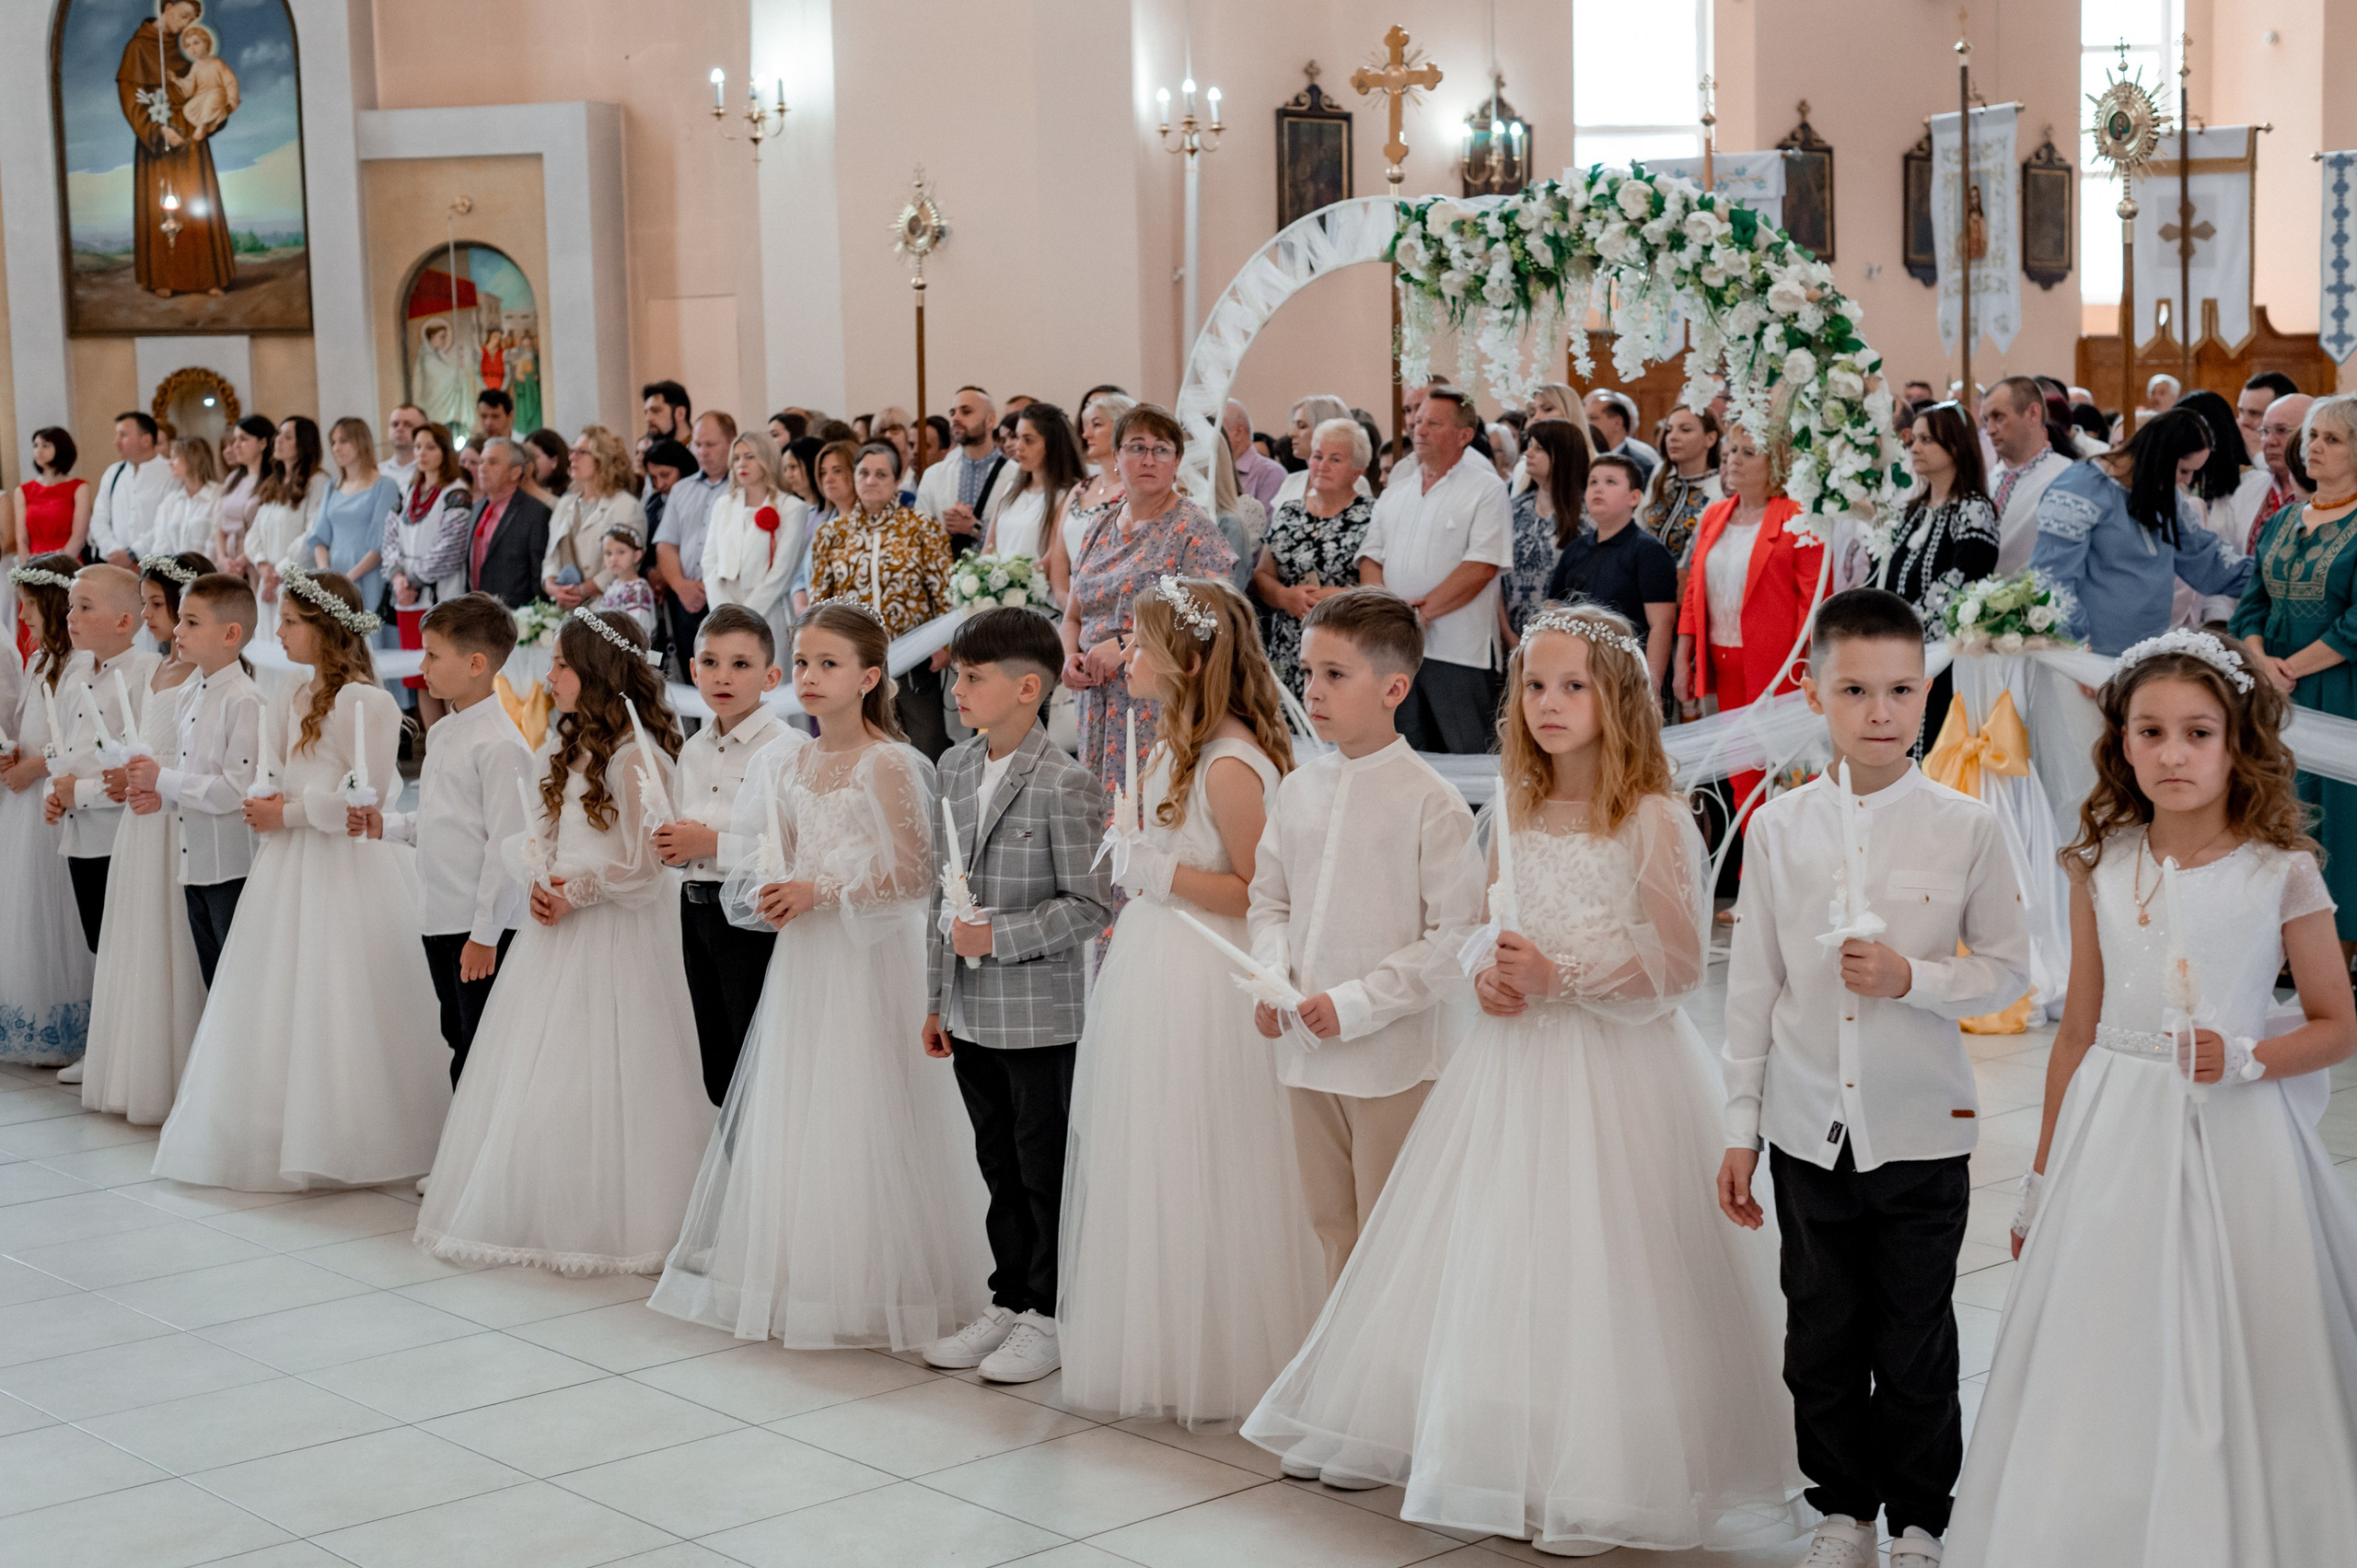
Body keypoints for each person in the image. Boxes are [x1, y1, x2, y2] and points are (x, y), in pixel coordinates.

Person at [1246, 605, 1804, 1551]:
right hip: (1511, 1064)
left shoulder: (1656, 815)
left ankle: (1605, 1471)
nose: (1548, 703)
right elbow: (1486, 918)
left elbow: (1675, 964)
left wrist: (1563, 979)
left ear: (1615, 697)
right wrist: (1486, 973)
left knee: (1607, 1261)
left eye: (1572, 685)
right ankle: (1512, 1449)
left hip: (1615, 1065)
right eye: (1534, 685)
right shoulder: (1512, 802)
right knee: (1509, 1256)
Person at [1950, 630, 2357, 1565]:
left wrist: (2248, 1053)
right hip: (2111, 1129)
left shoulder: (2279, 868)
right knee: (2104, 1335)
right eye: (2151, 731)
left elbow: (2336, 1022)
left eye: (2197, 732)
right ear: (2121, 744)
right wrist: (2039, 1176)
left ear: (2235, 742)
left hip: (2234, 1132)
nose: (2173, 753)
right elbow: (2076, 1029)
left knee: (2233, 1330)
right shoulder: (2099, 863)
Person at [1716, 587, 2031, 1568]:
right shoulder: (1777, 829)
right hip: (1807, 1124)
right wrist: (1739, 1121)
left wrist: (1917, 978)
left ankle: (1921, 1518)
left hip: (1921, 1129)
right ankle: (1840, 1508)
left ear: (1926, 692)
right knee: (1819, 1333)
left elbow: (2014, 967)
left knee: (1913, 1336)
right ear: (1816, 693)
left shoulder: (1964, 825)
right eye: (1855, 689)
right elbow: (1755, 985)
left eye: (1900, 689)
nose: (1880, 711)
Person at [650, 602, 991, 1343]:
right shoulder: (789, 761)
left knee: (869, 1101)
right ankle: (806, 1271)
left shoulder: (895, 763)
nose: (808, 676)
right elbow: (784, 851)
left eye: (827, 664)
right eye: (802, 663)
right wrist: (779, 887)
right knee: (805, 1103)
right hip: (806, 955)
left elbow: (910, 874)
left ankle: (889, 1277)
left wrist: (821, 890)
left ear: (870, 677)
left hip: (868, 959)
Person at [1052, 578, 1322, 1414]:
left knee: (1217, 1151)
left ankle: (1236, 1350)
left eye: (1140, 643)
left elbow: (1257, 889)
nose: (1125, 655)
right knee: (1158, 1150)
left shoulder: (1232, 762)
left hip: (1210, 973)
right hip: (1156, 961)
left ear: (1192, 660)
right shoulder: (1172, 741)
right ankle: (1169, 1341)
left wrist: (1158, 871)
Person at [415, 608, 713, 1271]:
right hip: (559, 928)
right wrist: (540, 878)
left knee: (621, 1068)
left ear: (595, 671)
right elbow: (538, 831)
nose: (547, 675)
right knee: (549, 1071)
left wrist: (574, 891)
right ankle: (550, 1196)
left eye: (559, 664)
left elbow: (644, 863)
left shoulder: (639, 753)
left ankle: (627, 1212)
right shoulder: (560, 741)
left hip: (619, 931)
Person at [152, 569, 450, 1191]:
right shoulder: (287, 693)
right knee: (279, 993)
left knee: (343, 992)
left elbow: (366, 801)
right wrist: (266, 797)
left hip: (347, 869)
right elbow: (275, 772)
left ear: (324, 627)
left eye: (289, 621)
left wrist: (284, 811)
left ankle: (359, 1130)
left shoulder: (365, 701)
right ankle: (271, 1128)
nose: (279, 631)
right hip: (287, 865)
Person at [1247, 587, 1486, 1283]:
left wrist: (1353, 1002)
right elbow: (1270, 900)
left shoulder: (1430, 800)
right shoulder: (1297, 789)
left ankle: (1388, 1386)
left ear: (1394, 687)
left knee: (1392, 1236)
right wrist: (1271, 975)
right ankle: (1336, 1382)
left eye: (1334, 674)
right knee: (1332, 1226)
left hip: (1393, 1059)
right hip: (1303, 1051)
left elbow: (1455, 938)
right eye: (1308, 671)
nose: (1312, 691)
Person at [919, 609, 1116, 1384]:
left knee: (1043, 1166)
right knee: (995, 1160)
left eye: (973, 677)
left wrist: (999, 935)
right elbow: (946, 894)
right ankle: (1006, 1295)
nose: (956, 687)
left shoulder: (1067, 783)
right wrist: (937, 998)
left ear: (1028, 687)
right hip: (970, 1011)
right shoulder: (954, 768)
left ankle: (1049, 1310)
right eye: (957, 674)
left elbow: (1092, 905)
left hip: (1041, 1016)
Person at [354, 593, 528, 1088]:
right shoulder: (447, 729)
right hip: (441, 914)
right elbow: (439, 820)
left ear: (476, 664)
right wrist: (385, 825)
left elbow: (505, 848)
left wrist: (485, 935)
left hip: (477, 927)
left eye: (432, 654)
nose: (421, 665)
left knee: (481, 1045)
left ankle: (473, 1157)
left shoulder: (499, 743)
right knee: (457, 1034)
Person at [81, 553, 213, 1121]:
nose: (151, 614)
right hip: (142, 817)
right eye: (150, 604)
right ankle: (138, 1066)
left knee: (172, 936)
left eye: (160, 605)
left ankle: (180, 1066)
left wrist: (148, 771)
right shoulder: (156, 669)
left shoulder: (199, 675)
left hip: (171, 815)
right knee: (137, 934)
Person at [655, 604, 801, 1105]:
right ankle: (735, 1171)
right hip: (693, 912)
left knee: (755, 1060)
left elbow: (794, 850)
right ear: (693, 670)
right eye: (710, 663)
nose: (723, 676)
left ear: (771, 675)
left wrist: (711, 845)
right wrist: (673, 848)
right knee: (716, 1063)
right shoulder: (693, 749)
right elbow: (684, 839)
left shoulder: (788, 749)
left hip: (750, 919)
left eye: (741, 664)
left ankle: (762, 1176)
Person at [2234, 393, 2357, 951]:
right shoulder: (2284, 519)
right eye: (2312, 437)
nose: (2314, 448)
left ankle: (2341, 944)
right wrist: (2262, 661)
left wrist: (2294, 667)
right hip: (2274, 694)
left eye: (2333, 439)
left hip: (2339, 690)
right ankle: (2284, 942)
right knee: (2278, 808)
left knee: (2339, 816)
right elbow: (2250, 603)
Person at [1061, 405, 1237, 795]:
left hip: (1155, 694)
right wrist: (1069, 657)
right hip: (1095, 696)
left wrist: (1126, 644)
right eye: (1137, 447)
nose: (1148, 459)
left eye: (1161, 449)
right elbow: (1073, 615)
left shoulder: (1193, 528)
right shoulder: (1099, 525)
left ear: (1177, 461)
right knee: (1099, 817)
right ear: (1117, 456)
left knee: (1147, 810)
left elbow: (1210, 620)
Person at [1674, 424, 1827, 819]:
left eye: (1747, 452)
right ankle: (1749, 871)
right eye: (1729, 452)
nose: (1732, 461)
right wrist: (1683, 654)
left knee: (1783, 776)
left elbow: (1813, 604)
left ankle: (1768, 870)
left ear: (1776, 462)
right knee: (1741, 781)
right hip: (1721, 664)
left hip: (1777, 669)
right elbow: (1694, 588)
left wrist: (1802, 672)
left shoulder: (1798, 518)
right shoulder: (1714, 515)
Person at [1356, 388, 1515, 754]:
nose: (1419, 428)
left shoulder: (1485, 488)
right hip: (1398, 650)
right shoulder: (1398, 489)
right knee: (1403, 753)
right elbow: (1370, 558)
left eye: (1433, 423)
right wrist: (1392, 617)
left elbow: (1481, 566)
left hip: (1459, 653)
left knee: (1466, 753)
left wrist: (1418, 614)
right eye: (1418, 420)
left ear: (1464, 436)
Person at [2030, 407, 2251, 655]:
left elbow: (2204, 558)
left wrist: (2269, 578)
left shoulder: (2164, 495)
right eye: (2184, 470)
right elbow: (2052, 577)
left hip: (2146, 653)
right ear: (2159, 457)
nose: (2188, 481)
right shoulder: (2079, 487)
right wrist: (2076, 646)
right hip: (2090, 652)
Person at [1, 556, 94, 1064]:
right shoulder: (40, 660)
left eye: (30, 605)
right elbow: (31, 727)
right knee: (25, 905)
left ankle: (68, 1023)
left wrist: (33, 767)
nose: (21, 615)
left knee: (57, 907)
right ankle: (31, 1013)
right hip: (25, 797)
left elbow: (80, 743)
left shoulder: (80, 667)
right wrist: (15, 752)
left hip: (52, 794)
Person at [807, 442, 957, 758]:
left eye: (880, 474)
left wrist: (944, 646)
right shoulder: (831, 534)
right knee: (862, 747)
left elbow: (943, 592)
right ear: (855, 478)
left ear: (896, 480)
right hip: (854, 662)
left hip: (915, 659)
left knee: (924, 744)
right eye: (864, 473)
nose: (871, 481)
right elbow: (820, 603)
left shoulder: (922, 528)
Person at [146, 568, 257, 997]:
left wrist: (163, 779)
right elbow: (191, 776)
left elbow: (234, 789)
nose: (177, 630)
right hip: (194, 863)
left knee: (236, 983)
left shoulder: (245, 700)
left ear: (231, 634)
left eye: (191, 622)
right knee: (213, 980)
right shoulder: (191, 695)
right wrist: (159, 797)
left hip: (231, 867)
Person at [43, 564, 156, 958]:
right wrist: (54, 791)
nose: (71, 616)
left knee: (126, 949)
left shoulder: (145, 675)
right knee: (98, 946)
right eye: (72, 606)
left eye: (85, 607)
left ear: (125, 621)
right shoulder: (74, 678)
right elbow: (63, 749)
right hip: (79, 838)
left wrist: (82, 792)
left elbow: (138, 769)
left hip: (118, 835)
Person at [1878, 402, 1999, 745]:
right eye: (1913, 439)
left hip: (1941, 662)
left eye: (1926, 440)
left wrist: (1903, 632)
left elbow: (1964, 583)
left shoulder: (1973, 510)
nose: (1914, 448)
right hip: (1892, 657)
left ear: (1956, 447)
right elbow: (1882, 574)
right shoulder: (1910, 512)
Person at [1255, 416, 1376, 697]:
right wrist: (1285, 596)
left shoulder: (1372, 515)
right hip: (1290, 643)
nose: (1322, 465)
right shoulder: (1288, 512)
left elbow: (1377, 590)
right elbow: (1262, 575)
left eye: (1335, 459)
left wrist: (1339, 597)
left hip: (1345, 642)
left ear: (1357, 470)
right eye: (1318, 456)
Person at [1545, 454, 1678, 689]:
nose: (1598, 489)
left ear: (1634, 497)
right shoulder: (1575, 549)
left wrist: (1652, 686)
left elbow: (1662, 624)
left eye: (1610, 482)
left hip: (1627, 674)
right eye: (1592, 482)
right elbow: (1553, 609)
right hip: (1576, 673)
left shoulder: (1647, 551)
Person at [383, 421, 474, 731]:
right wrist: (397, 578)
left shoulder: (456, 492)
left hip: (439, 596)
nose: (421, 453)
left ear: (445, 451)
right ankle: (435, 743)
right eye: (418, 446)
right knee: (420, 676)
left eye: (430, 447)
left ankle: (455, 742)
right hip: (407, 599)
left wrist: (415, 581)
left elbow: (451, 544)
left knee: (446, 675)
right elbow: (390, 535)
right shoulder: (409, 490)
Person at [702, 431, 811, 659]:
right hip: (725, 607)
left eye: (750, 456)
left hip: (767, 610)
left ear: (766, 458)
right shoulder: (723, 505)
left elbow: (782, 572)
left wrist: (746, 617)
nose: (742, 463)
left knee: (768, 677)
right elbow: (709, 562)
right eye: (737, 458)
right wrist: (723, 613)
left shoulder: (791, 507)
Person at [983, 402, 1087, 604]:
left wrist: (1010, 585)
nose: (1018, 446)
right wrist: (980, 580)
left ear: (1052, 445)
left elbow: (1051, 559)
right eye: (1017, 437)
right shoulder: (1010, 488)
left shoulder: (1067, 494)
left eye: (1028, 440)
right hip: (997, 597)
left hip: (1036, 601)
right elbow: (989, 548)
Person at [655, 412, 736, 661]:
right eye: (697, 445)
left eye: (710, 445)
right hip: (687, 597)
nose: (702, 452)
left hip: (729, 596)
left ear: (732, 443)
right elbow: (666, 544)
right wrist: (680, 585)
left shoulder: (741, 489)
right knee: (693, 670)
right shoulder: (681, 489)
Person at [540, 425, 647, 610]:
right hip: (566, 611)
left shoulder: (626, 506)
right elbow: (551, 557)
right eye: (572, 451)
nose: (572, 457)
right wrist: (553, 587)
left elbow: (626, 564)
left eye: (581, 452)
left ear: (602, 459)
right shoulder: (565, 504)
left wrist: (581, 590)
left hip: (608, 609)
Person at [308, 418, 402, 620]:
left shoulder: (385, 486)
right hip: (335, 578)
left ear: (360, 442)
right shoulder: (332, 487)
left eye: (343, 441)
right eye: (333, 442)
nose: (336, 448)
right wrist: (327, 576)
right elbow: (320, 538)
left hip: (368, 577)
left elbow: (381, 545)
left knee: (367, 640)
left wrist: (348, 579)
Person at [1980, 377, 2073, 575]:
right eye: (1986, 420)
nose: (1989, 430)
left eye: (1998, 417)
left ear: (2033, 413)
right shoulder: (1988, 479)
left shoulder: (2066, 477)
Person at [246, 417, 330, 635]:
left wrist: (280, 572)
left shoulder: (318, 482)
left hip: (296, 580)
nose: (278, 440)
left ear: (304, 444)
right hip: (268, 582)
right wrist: (262, 565)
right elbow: (253, 533)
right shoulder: (273, 482)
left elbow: (312, 532)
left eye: (287, 436)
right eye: (279, 435)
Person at [1506, 417, 1589, 635]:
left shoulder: (1588, 515)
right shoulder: (1514, 508)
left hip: (1568, 635)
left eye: (1539, 448)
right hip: (1512, 632)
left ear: (1563, 456)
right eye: (1529, 446)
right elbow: (1495, 579)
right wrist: (1508, 637)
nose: (1527, 453)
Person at [12, 429, 90, 661]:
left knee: (67, 626)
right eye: (36, 445)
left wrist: (57, 568)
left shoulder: (79, 486)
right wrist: (28, 574)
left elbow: (79, 536)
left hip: (68, 565)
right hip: (33, 567)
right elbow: (22, 539)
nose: (39, 450)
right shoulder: (24, 490)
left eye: (46, 445)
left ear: (61, 448)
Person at [463, 438, 553, 609]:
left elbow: (538, 575)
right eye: (481, 461)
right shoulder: (476, 508)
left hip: (516, 618)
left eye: (493, 462)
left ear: (515, 472)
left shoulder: (535, 513)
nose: (482, 468)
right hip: (477, 613)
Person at [913, 386, 1004, 553]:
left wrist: (976, 530)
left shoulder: (1016, 474)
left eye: (966, 412)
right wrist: (945, 531)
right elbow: (918, 537)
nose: (956, 418)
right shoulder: (934, 475)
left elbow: (1021, 538)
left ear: (990, 420)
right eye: (952, 413)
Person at [1642, 403, 1724, 566]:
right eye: (1669, 429)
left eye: (1685, 430)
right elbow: (1639, 525)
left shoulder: (1721, 488)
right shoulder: (1661, 475)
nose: (1673, 437)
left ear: (1710, 439)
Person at [88, 412, 172, 569]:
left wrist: (133, 553)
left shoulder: (169, 472)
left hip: (155, 564)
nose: (116, 442)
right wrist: (113, 551)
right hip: (115, 564)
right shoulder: (114, 473)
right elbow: (99, 518)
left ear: (146, 440)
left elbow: (168, 521)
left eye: (123, 435)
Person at [210, 414, 274, 580]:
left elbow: (269, 529)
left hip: (256, 560)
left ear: (263, 442)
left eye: (243, 439)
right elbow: (220, 525)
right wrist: (223, 559)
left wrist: (242, 560)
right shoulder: (233, 478)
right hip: (229, 562)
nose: (235, 446)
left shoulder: (273, 481)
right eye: (235, 440)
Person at [1271, 395, 1359, 508]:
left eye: (1302, 426)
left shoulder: (1352, 481)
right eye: (1293, 425)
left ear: (1326, 430)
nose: (1291, 433)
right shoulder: (1291, 481)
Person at [2254, 391, 2316, 541]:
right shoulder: (2249, 488)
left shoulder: (2330, 493)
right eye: (2265, 431)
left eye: (2281, 430)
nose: (2269, 441)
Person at [154, 436, 222, 555]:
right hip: (173, 571)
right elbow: (161, 544)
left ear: (192, 458)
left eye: (174, 457)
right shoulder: (171, 501)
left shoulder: (218, 495)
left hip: (209, 571)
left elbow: (216, 544)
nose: (169, 463)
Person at [1584, 389, 1659, 485]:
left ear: (1618, 423)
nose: (1587, 424)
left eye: (1593, 418)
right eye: (1584, 419)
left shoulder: (1642, 465)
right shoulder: (1583, 458)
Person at [1225, 399, 1285, 508]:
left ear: (1238, 431)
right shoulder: (1215, 470)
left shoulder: (1271, 473)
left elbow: (1265, 523)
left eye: (1215, 429)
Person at [379, 403, 426, 491]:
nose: (399, 429)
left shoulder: (431, 472)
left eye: (407, 425)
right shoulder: (377, 473)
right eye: (395, 424)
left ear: (423, 431)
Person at [643, 379, 692, 445]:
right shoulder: (654, 452)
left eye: (655, 411)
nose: (647, 419)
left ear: (680, 413)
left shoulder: (702, 452)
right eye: (646, 413)